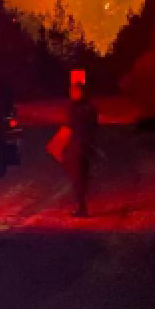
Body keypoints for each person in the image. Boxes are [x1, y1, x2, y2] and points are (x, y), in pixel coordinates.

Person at [63, 82, 98, 217]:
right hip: (87, 145)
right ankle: (82, 205)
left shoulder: (73, 108)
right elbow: (94, 126)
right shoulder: (91, 108)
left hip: (77, 145)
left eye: (74, 92)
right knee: (83, 176)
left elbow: (70, 127)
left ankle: (81, 207)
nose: (72, 94)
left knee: (77, 177)